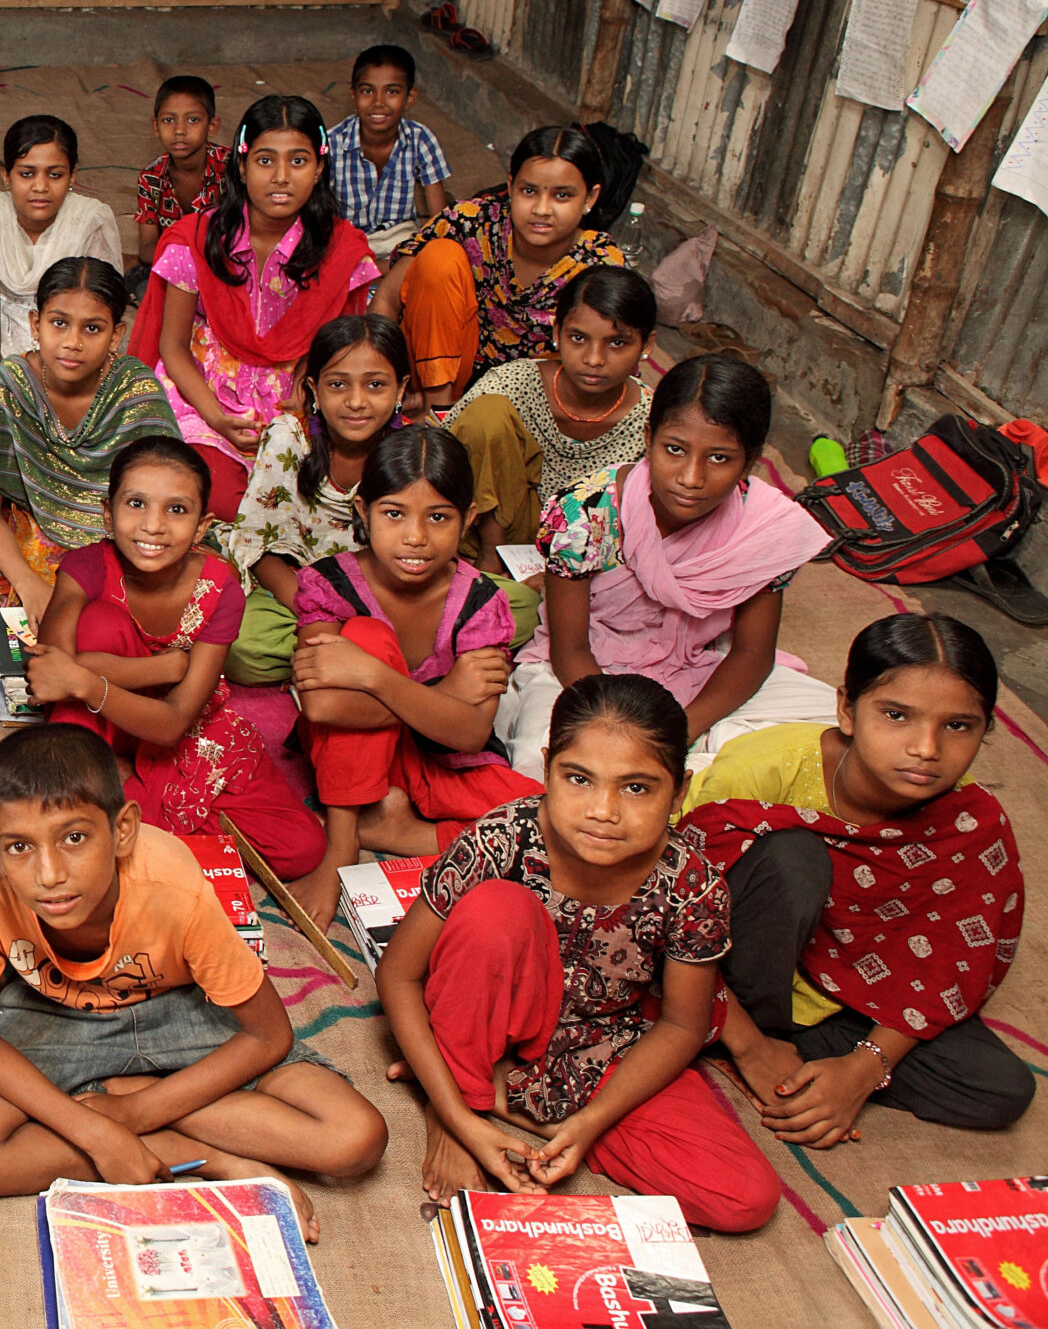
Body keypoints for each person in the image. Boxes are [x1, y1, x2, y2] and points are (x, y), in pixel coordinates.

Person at [0, 725, 385, 1210]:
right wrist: (97, 1132)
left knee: (354, 1139)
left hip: (176, 1011)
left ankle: (127, 1087)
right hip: (48, 1013)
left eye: (74, 837)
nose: (50, 874)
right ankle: (204, 1159)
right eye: (20, 847)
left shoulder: (171, 884)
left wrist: (136, 1109)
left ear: (122, 831)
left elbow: (268, 1036)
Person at [375, 674, 778, 1232]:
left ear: (679, 791)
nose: (603, 811)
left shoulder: (693, 884)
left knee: (744, 1198)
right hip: (488, 1016)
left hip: (608, 1044)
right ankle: (460, 1104)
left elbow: (684, 1027)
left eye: (636, 787)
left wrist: (591, 1121)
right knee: (496, 910)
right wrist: (454, 1118)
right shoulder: (503, 838)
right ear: (546, 770)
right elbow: (398, 976)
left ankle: (485, 1090)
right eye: (579, 779)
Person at [684, 613, 1031, 1140]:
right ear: (847, 709)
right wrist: (750, 1047)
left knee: (1000, 1088)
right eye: (896, 715)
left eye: (958, 726)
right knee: (794, 860)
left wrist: (866, 1068)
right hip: (735, 972)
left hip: (854, 995)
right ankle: (740, 1036)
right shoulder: (764, 768)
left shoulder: (969, 819)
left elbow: (947, 957)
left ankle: (811, 1058)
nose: (926, 749)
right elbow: (663, 910)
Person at [504, 353, 835, 777]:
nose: (691, 477)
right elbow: (570, 648)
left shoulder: (765, 528)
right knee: (547, 762)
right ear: (648, 437)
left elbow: (752, 653)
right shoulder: (585, 512)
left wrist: (683, 728)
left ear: (750, 461)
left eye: (719, 458)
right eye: (674, 450)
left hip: (701, 667)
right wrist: (623, 726)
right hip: (589, 674)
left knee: (831, 737)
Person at [23, 437, 327, 881]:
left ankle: (145, 813)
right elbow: (50, 672)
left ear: (202, 526)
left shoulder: (219, 586)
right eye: (136, 504)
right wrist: (160, 668)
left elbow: (172, 723)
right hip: (95, 735)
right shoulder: (86, 567)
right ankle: (104, 797)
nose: (153, 526)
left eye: (177, 510)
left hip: (181, 731)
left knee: (301, 849)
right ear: (108, 514)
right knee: (101, 623)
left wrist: (85, 678)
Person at [291, 427, 537, 918]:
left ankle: (400, 829)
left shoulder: (481, 603)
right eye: (394, 513)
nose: (416, 537)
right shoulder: (329, 584)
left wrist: (374, 677)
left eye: (439, 517)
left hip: (445, 759)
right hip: (351, 754)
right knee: (366, 635)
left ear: (468, 519)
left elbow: (469, 734)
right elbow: (322, 706)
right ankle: (343, 843)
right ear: (363, 512)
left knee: (545, 826)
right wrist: (444, 693)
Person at [129, 95, 379, 513]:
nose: (281, 177)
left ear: (319, 168)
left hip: (298, 401)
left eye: (297, 161)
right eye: (265, 161)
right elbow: (172, 346)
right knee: (217, 497)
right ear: (241, 167)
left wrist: (309, 390)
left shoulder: (343, 252)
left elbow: (343, 351)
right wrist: (214, 417)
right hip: (205, 395)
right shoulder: (196, 241)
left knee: (341, 492)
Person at [0, 257, 179, 619]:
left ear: (117, 334)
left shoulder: (135, 389)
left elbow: (169, 495)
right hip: (31, 541)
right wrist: (30, 586)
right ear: (36, 324)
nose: (72, 342)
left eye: (92, 329)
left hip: (122, 543)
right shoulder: (11, 385)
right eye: (59, 323)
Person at [373, 125, 628, 409]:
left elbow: (609, 365)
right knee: (439, 258)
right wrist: (382, 381)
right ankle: (437, 417)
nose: (542, 209)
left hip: (528, 407)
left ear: (590, 198)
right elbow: (385, 299)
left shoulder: (600, 266)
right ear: (510, 186)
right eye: (529, 191)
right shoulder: (469, 222)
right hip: (435, 380)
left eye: (562, 196)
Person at [220, 315, 411, 687]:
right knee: (243, 649)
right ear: (314, 389)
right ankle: (363, 656)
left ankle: (349, 653)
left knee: (512, 607)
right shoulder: (288, 438)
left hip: (385, 595)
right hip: (300, 592)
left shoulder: (413, 451)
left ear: (400, 390)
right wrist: (319, 613)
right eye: (338, 385)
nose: (356, 402)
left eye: (375, 385)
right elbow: (260, 549)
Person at [450, 265, 655, 575]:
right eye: (578, 338)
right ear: (557, 332)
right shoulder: (513, 384)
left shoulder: (651, 420)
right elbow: (442, 455)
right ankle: (489, 562)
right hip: (489, 534)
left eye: (616, 343)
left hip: (591, 561)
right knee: (486, 415)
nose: (594, 359)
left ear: (647, 346)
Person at [0, 114, 123, 353]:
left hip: (68, 345)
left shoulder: (89, 220)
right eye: (27, 174)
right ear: (5, 174)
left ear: (72, 175)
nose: (41, 186)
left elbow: (102, 305)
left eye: (55, 175)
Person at [324, 44, 451, 254]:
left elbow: (440, 219)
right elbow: (316, 216)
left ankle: (380, 275)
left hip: (399, 241)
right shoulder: (333, 143)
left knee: (438, 256)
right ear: (353, 95)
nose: (378, 102)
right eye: (367, 91)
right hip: (345, 241)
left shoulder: (421, 139)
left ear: (410, 97)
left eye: (392, 91)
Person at [133, 75, 232, 270]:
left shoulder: (231, 169)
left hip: (223, 264)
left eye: (193, 120)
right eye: (168, 120)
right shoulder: (150, 178)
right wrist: (184, 259)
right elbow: (146, 248)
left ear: (212, 126)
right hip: (174, 267)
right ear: (156, 126)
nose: (179, 130)